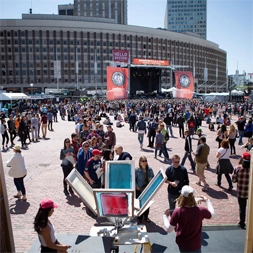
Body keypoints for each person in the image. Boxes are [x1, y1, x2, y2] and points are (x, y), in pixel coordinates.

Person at [163, 185, 214, 253]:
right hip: (196, 245)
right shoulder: (201, 210)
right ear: (192, 197)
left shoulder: (178, 212)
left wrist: (165, 216)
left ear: (181, 197)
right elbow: (212, 215)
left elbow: (169, 229)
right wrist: (207, 201)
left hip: (183, 244)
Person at [232, 152, 251, 229]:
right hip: (250, 192)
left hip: (241, 192)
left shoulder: (238, 168)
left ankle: (242, 222)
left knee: (242, 208)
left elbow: (233, 180)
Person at [135, 156, 154, 224]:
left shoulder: (150, 169)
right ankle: (139, 217)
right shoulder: (137, 170)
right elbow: (134, 180)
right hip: (139, 189)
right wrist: (136, 186)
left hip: (147, 189)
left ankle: (146, 216)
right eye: (143, 161)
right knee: (139, 204)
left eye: (145, 160)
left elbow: (153, 177)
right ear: (140, 162)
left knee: (147, 204)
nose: (144, 162)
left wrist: (151, 179)